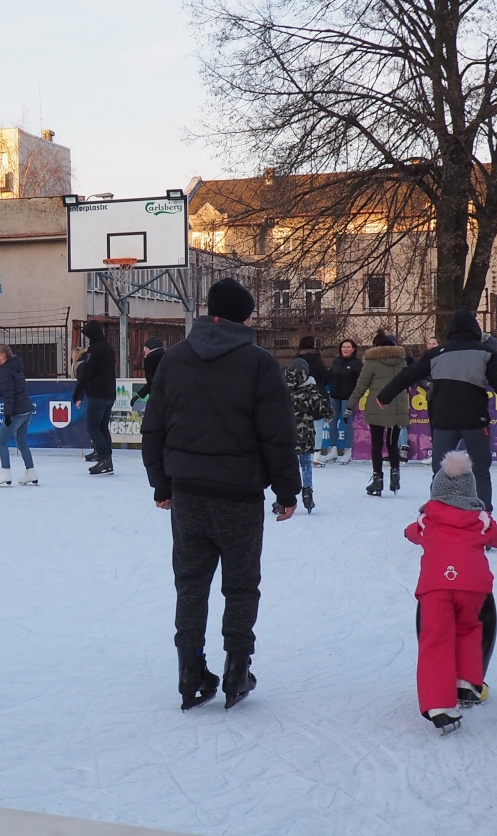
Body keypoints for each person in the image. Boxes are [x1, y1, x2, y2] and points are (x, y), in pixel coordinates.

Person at [142, 277, 299, 711]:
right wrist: (288, 490)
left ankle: (190, 668)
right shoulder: (259, 363)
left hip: (188, 494)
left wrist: (161, 483)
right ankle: (236, 667)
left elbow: (153, 425)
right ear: (244, 316)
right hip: (239, 495)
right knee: (241, 586)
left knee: (190, 585)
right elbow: (277, 434)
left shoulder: (174, 359)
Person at [376, 309, 497, 511]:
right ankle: (483, 521)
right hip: (475, 420)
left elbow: (408, 375)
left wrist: (385, 396)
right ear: (475, 329)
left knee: (439, 472)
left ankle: (437, 518)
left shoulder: (436, 353)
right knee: (480, 472)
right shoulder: (486, 353)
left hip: (443, 420)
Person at [404, 451, 497, 735]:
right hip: (472, 586)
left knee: (435, 640)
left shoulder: (427, 519)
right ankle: (466, 683)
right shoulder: (481, 519)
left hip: (435, 586)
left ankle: (438, 705)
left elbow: (411, 533)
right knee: (468, 630)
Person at [349, 333, 410, 496]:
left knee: (376, 444)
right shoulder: (402, 362)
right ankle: (395, 474)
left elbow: (360, 387)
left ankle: (378, 480)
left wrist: (349, 406)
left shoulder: (371, 363)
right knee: (392, 443)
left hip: (379, 406)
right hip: (398, 407)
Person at [0, 343, 36, 487]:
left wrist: (8, 415)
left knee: (0, 441)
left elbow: (9, 395)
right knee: (22, 442)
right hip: (26, 410)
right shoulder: (15, 368)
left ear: (3, 356)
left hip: (17, 412)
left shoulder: (5, 371)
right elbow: (7, 390)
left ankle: (5, 473)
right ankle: (31, 472)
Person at [283, 356, 332, 513]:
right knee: (305, 463)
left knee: (287, 465)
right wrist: (329, 412)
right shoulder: (309, 387)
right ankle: (307, 493)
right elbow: (320, 405)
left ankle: (284, 496)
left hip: (285, 433)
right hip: (305, 433)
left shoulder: (280, 385)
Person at [73, 321, 117, 476]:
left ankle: (104, 459)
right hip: (110, 393)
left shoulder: (94, 349)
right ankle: (106, 457)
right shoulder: (109, 349)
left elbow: (87, 372)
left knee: (93, 427)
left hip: (97, 394)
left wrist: (78, 391)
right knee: (103, 427)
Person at [324, 339, 362, 464]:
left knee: (346, 423)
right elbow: (330, 376)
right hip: (334, 396)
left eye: (348, 347)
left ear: (353, 349)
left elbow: (361, 380)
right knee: (332, 422)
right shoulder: (337, 361)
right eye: (343, 347)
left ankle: (348, 450)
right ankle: (333, 449)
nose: (345, 349)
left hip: (348, 397)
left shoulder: (357, 363)